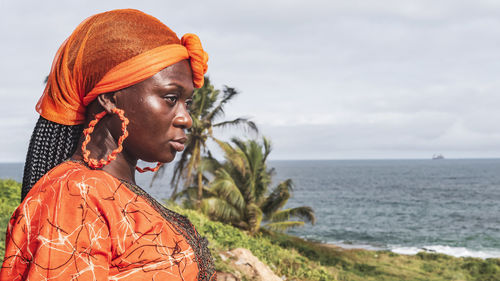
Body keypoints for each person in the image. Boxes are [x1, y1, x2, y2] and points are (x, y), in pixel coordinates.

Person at [0, 9, 216, 281]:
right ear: (110, 99)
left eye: (188, 104)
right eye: (171, 98)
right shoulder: (76, 196)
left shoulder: (110, 191)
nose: (186, 118)